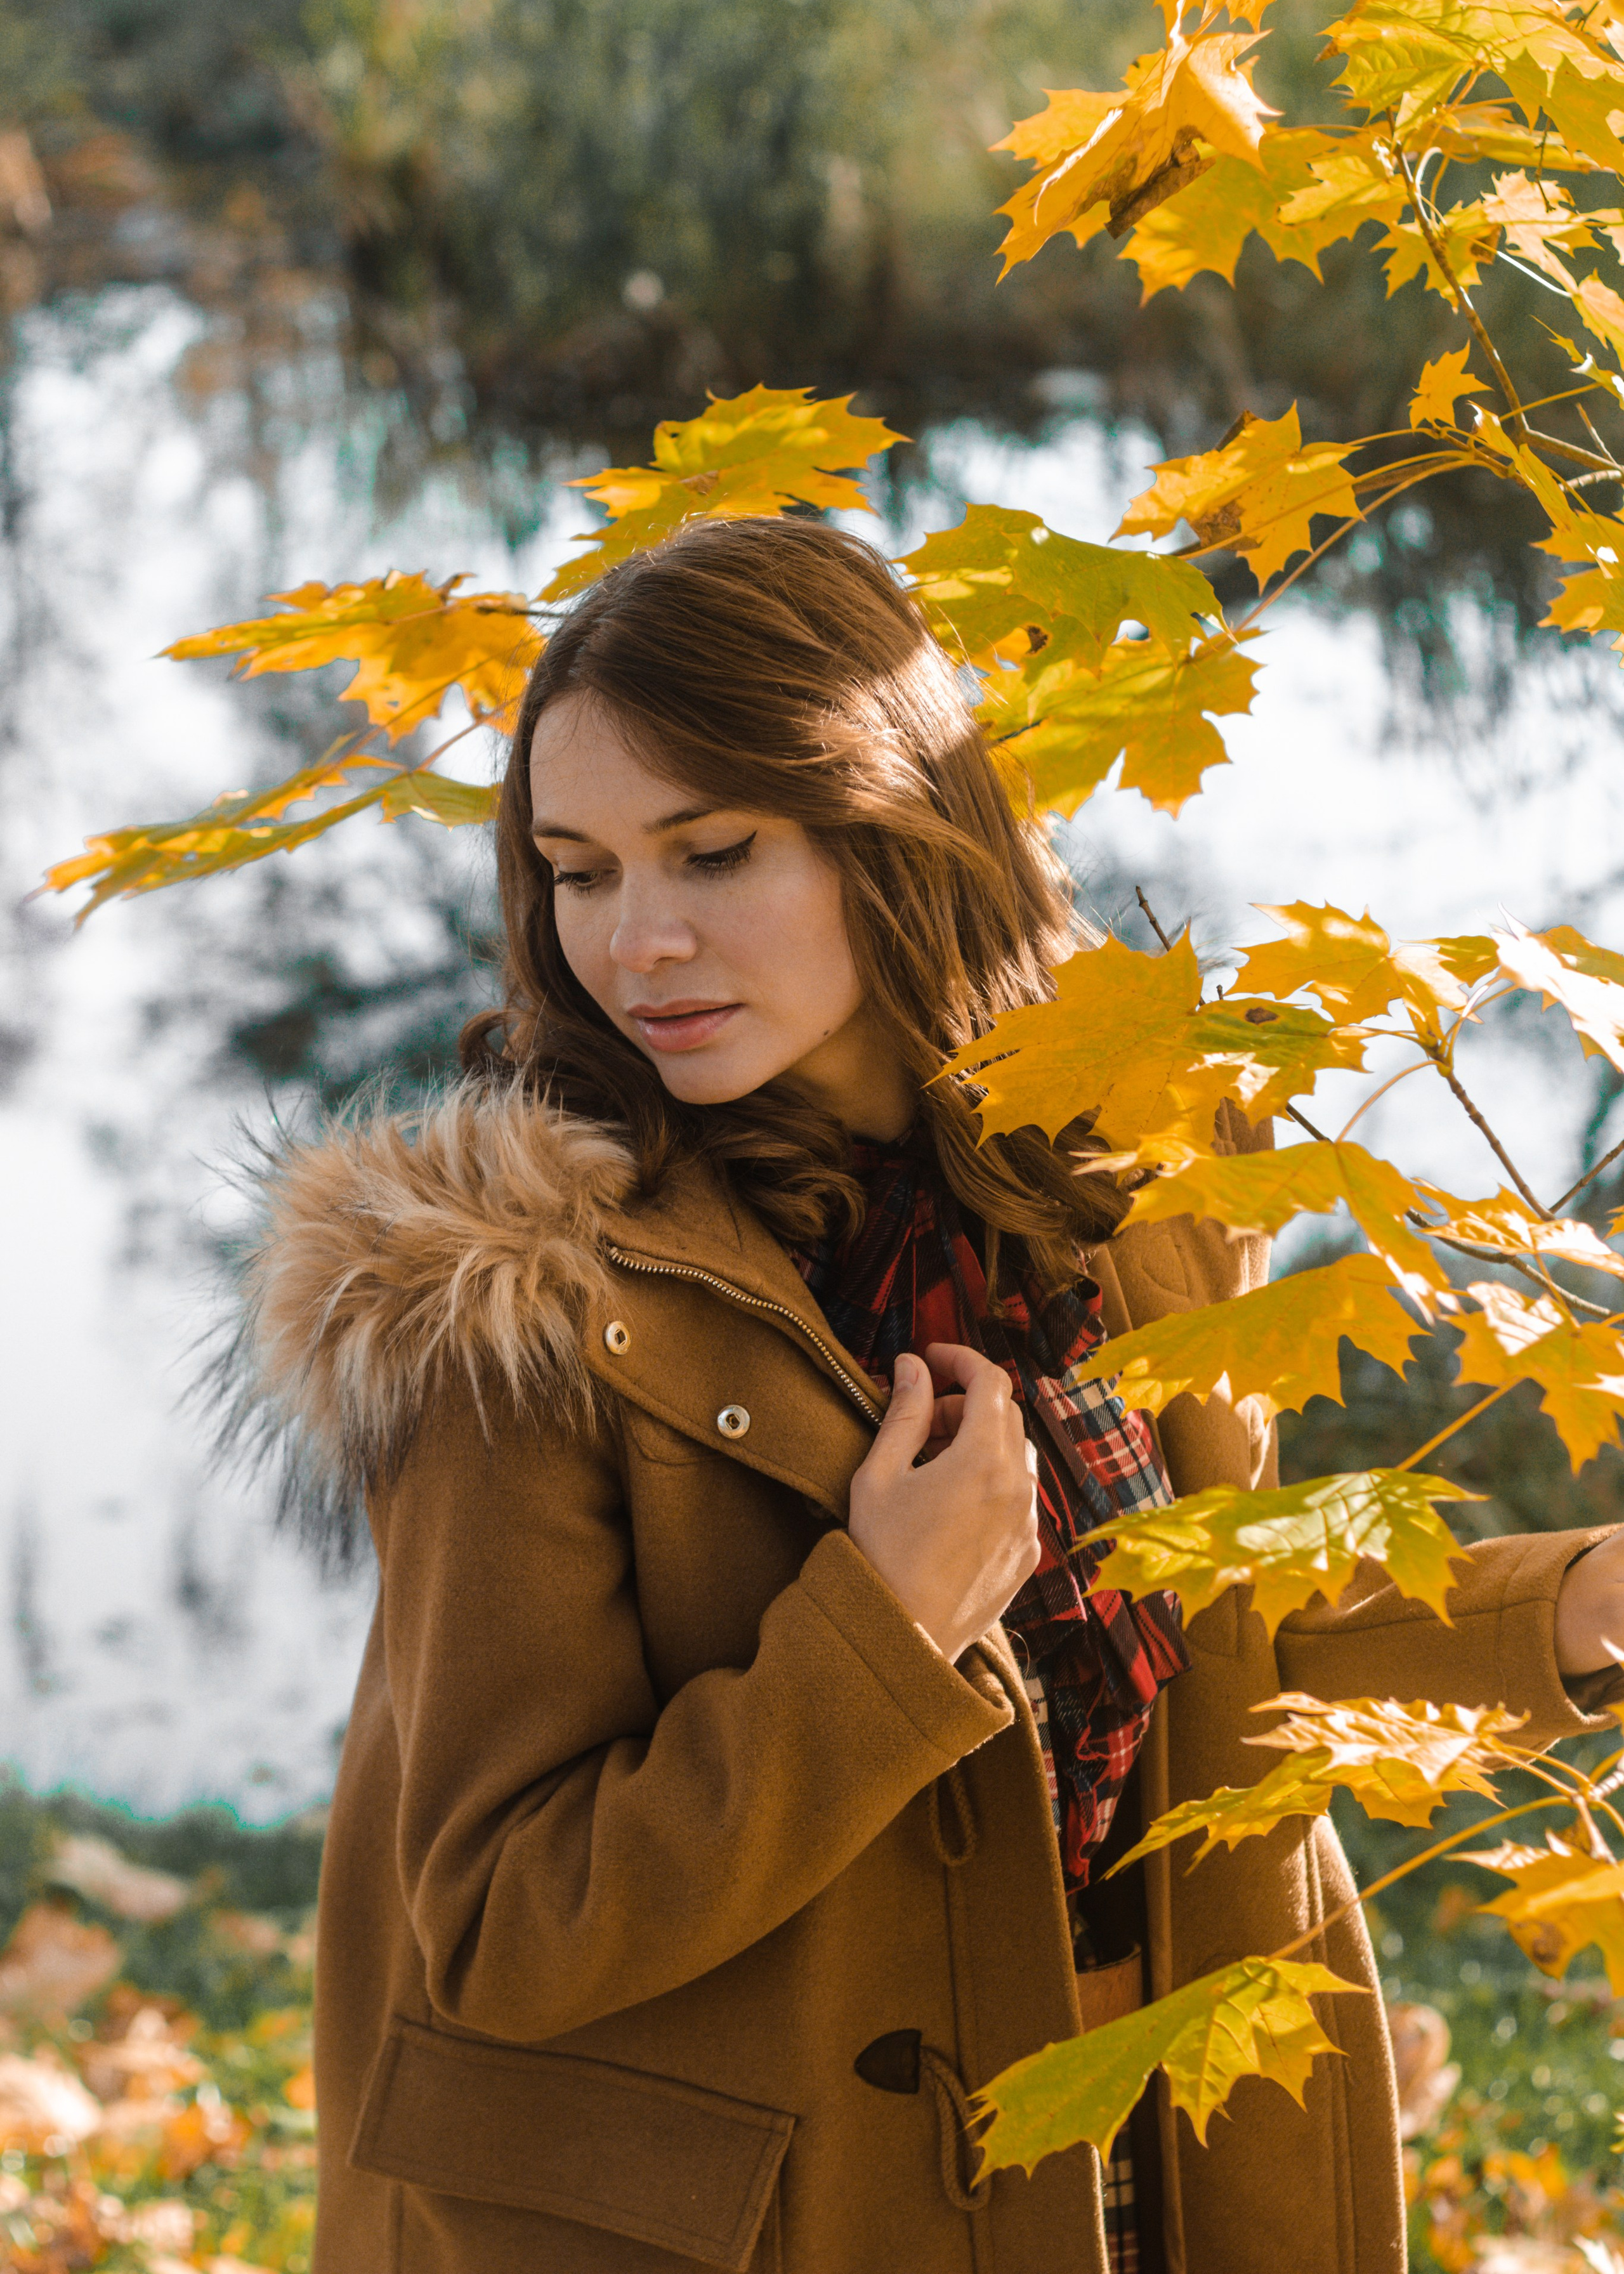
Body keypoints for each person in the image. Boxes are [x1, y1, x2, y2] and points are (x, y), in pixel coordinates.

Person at [245, 516, 1624, 2274]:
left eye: (712, 850)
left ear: (895, 821)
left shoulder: (1137, 1166)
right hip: (767, 2220)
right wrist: (882, 1635)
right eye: (578, 872)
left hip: (1157, 2141)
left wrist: (1565, 1606)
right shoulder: (524, 1300)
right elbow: (507, 1924)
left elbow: (1211, 1621)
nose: (636, 940)